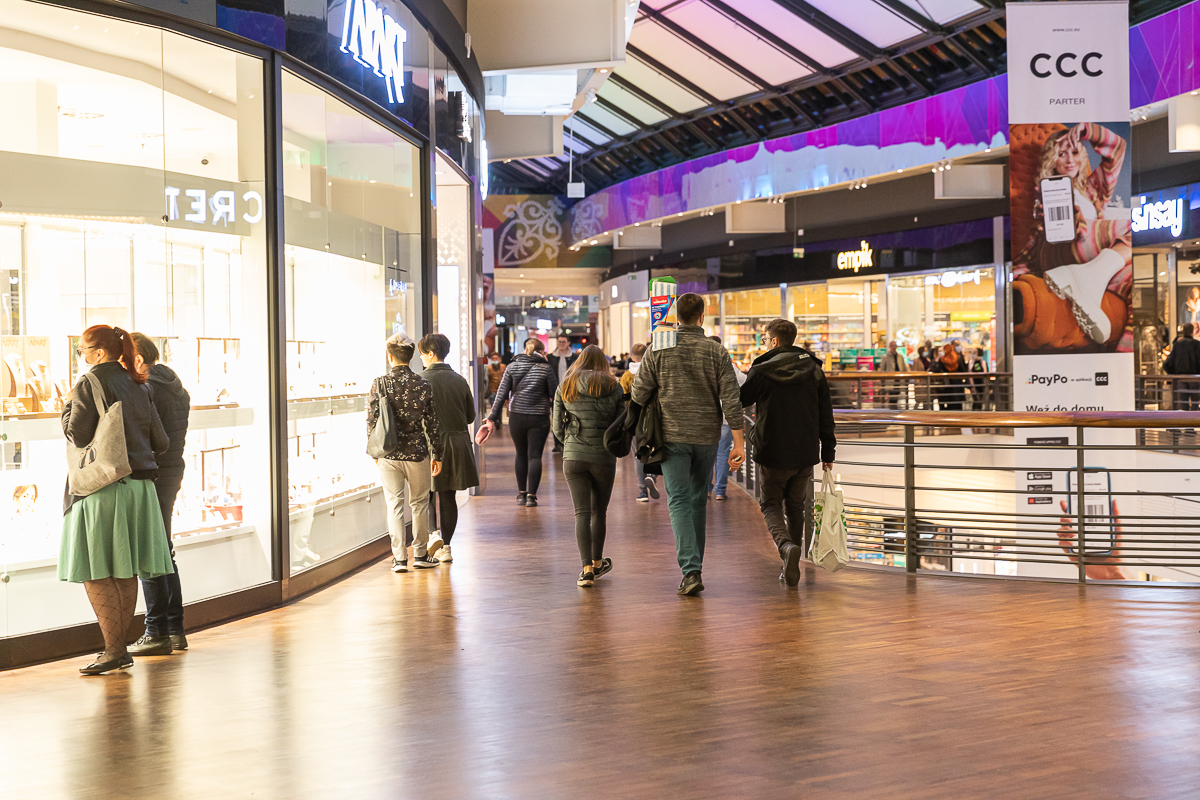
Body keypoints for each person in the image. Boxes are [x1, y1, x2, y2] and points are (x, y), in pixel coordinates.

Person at [60, 324, 172, 675]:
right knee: (125, 571)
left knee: (96, 572)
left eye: (81, 351)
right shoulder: (140, 383)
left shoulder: (89, 382)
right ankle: (117, 649)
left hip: (104, 488)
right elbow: (161, 441)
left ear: (97, 353)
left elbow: (76, 434)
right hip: (140, 489)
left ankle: (114, 650)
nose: (80, 357)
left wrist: (65, 405)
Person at [631, 293, 744, 596]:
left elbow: (639, 393)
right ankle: (695, 567)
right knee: (697, 499)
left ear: (676, 316)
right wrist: (738, 443)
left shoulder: (660, 348)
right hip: (707, 436)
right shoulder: (715, 351)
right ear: (702, 316)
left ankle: (691, 571)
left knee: (678, 500)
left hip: (671, 436)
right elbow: (732, 400)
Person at [739, 319, 835, 586]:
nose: (763, 344)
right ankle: (791, 563)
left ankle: (785, 548)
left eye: (764, 339)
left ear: (775, 341)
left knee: (770, 503)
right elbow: (825, 414)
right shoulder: (814, 369)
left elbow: (741, 399)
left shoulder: (761, 369)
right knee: (795, 506)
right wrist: (828, 450)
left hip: (772, 449)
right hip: (805, 451)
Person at [126, 333, 192, 657]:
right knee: (163, 551)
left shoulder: (148, 388)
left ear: (138, 359)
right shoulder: (174, 386)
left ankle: (156, 631)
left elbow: (151, 436)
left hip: (153, 474)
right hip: (171, 471)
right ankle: (174, 628)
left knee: (151, 553)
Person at [367, 333, 443, 573]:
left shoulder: (380, 383)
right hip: (417, 453)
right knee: (420, 503)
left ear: (390, 357)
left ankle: (399, 559)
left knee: (395, 505)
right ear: (411, 358)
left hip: (389, 455)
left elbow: (372, 420)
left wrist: (375, 453)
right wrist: (437, 454)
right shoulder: (423, 384)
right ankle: (420, 554)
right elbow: (432, 423)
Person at [553, 345, 625, 587]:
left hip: (573, 456)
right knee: (599, 512)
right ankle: (596, 562)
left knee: (581, 513)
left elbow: (555, 428)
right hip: (604, 457)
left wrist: (570, 444)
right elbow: (621, 424)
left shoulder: (566, 384)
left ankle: (586, 570)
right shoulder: (614, 386)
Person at [419, 333, 479, 564]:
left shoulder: (422, 380)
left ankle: (433, 534)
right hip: (457, 444)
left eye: (423, 354)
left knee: (426, 494)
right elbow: (471, 416)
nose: (422, 358)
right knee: (448, 497)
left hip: (428, 443)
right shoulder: (460, 380)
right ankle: (446, 546)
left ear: (431, 354)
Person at [481, 337, 558, 507]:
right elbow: (555, 395)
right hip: (539, 417)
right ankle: (532, 496)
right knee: (535, 456)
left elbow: (501, 395)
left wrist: (491, 418)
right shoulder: (546, 368)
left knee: (521, 454)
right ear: (542, 352)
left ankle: (521, 494)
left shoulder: (512, 366)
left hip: (517, 416)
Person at [707, 335, 746, 501]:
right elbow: (744, 381)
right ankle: (720, 490)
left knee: (707, 454)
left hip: (708, 419)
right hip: (726, 417)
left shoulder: (704, 365)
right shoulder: (729, 365)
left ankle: (706, 488)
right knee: (723, 454)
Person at [620, 342, 659, 501]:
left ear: (631, 356)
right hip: (653, 417)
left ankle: (642, 491)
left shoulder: (627, 376)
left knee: (638, 454)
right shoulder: (653, 371)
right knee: (655, 449)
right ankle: (652, 474)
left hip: (634, 418)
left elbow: (623, 398)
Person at [546, 334, 578, 453]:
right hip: (555, 392)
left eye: (564, 342)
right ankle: (557, 443)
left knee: (571, 417)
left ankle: (568, 443)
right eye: (559, 342)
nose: (561, 344)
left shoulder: (575, 357)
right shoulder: (550, 357)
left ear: (568, 343)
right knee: (556, 418)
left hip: (571, 392)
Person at [1165, 323, 1200, 411]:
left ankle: (1185, 421)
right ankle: (1194, 421)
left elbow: (1168, 363)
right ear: (1192, 331)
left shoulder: (1177, 345)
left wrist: (1173, 374)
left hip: (1180, 377)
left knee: (1183, 401)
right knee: (1195, 401)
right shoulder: (1196, 345)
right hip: (1194, 377)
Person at [930, 342, 967, 411]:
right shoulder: (958, 358)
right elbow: (964, 370)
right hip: (958, 385)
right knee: (958, 405)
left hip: (947, 385)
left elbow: (937, 370)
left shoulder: (943, 360)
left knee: (950, 404)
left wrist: (937, 360)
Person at [880, 340, 909, 409]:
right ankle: (892, 410)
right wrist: (883, 380)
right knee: (892, 397)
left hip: (899, 380)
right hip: (891, 381)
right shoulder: (886, 357)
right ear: (890, 347)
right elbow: (882, 369)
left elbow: (904, 368)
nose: (893, 347)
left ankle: (895, 410)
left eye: (895, 346)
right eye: (892, 346)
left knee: (898, 396)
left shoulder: (900, 357)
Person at [486, 352, 506, 427]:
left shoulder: (503, 367)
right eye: (493, 358)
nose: (494, 360)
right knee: (493, 408)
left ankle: (499, 421)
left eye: (496, 358)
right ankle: (496, 422)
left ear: (499, 359)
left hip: (501, 391)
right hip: (492, 391)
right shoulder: (489, 369)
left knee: (500, 408)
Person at [966, 347, 989, 411]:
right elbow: (969, 374)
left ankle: (979, 413)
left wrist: (988, 385)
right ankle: (974, 413)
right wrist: (971, 386)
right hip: (974, 384)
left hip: (982, 385)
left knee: (981, 401)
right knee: (977, 400)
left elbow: (986, 374)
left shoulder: (983, 363)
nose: (974, 353)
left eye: (975, 352)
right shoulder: (970, 363)